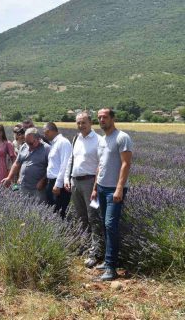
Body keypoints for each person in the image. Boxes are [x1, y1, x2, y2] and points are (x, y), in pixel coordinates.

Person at [91, 108, 133, 281]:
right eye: (99, 118)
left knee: (110, 226)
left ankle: (111, 267)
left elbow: (126, 164)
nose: (101, 120)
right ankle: (108, 261)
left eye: (105, 117)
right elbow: (100, 165)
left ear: (112, 118)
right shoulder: (103, 139)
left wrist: (119, 188)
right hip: (101, 188)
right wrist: (95, 187)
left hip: (113, 190)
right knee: (105, 225)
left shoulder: (122, 137)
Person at [64, 112, 102, 269]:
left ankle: (95, 253)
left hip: (90, 183)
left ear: (91, 123)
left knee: (94, 217)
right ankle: (85, 246)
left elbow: (101, 165)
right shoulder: (75, 138)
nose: (80, 125)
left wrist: (96, 187)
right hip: (76, 182)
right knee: (81, 218)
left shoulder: (98, 140)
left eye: (83, 122)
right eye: (78, 123)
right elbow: (71, 160)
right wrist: (67, 178)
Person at [2, 128, 50, 202]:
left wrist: (43, 180)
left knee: (38, 211)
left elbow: (51, 168)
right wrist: (9, 178)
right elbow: (17, 163)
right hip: (23, 186)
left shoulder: (47, 149)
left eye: (31, 143)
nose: (29, 147)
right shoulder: (24, 146)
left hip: (37, 188)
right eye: (27, 143)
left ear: (38, 139)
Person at [43, 122, 72, 218]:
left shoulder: (63, 142)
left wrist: (58, 184)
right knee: (53, 211)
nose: (44, 135)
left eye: (45, 132)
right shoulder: (54, 143)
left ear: (50, 131)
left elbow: (65, 164)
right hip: (52, 182)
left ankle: (63, 232)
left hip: (58, 184)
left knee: (59, 212)